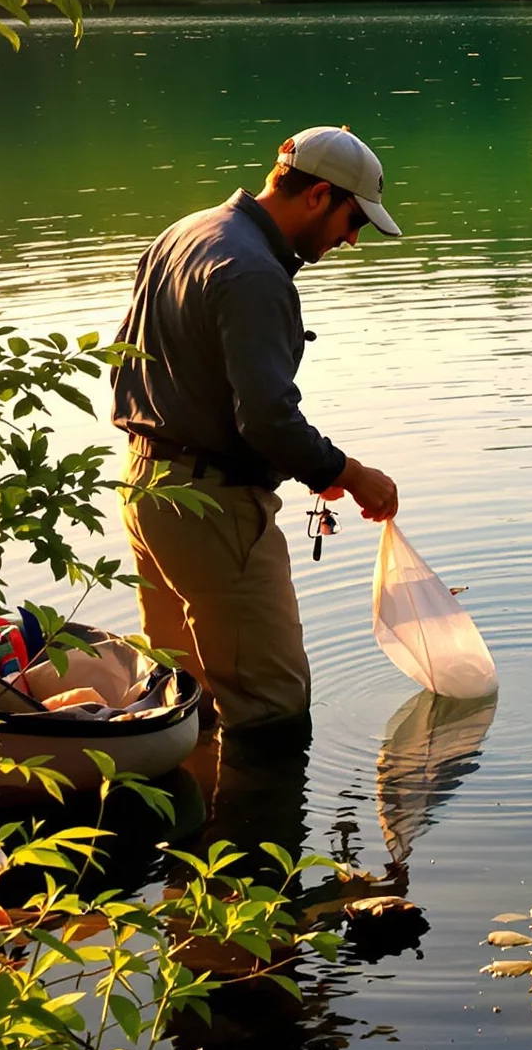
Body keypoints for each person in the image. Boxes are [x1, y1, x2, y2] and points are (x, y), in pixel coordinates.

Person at [111, 126, 401, 732]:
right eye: (354, 220)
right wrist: (346, 473)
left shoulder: (186, 232)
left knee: (178, 697)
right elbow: (266, 417)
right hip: (212, 510)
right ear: (320, 195)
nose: (352, 240)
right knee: (271, 708)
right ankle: (257, 827)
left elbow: (128, 361)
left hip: (148, 489)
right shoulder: (254, 273)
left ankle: (188, 816)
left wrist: (300, 462)